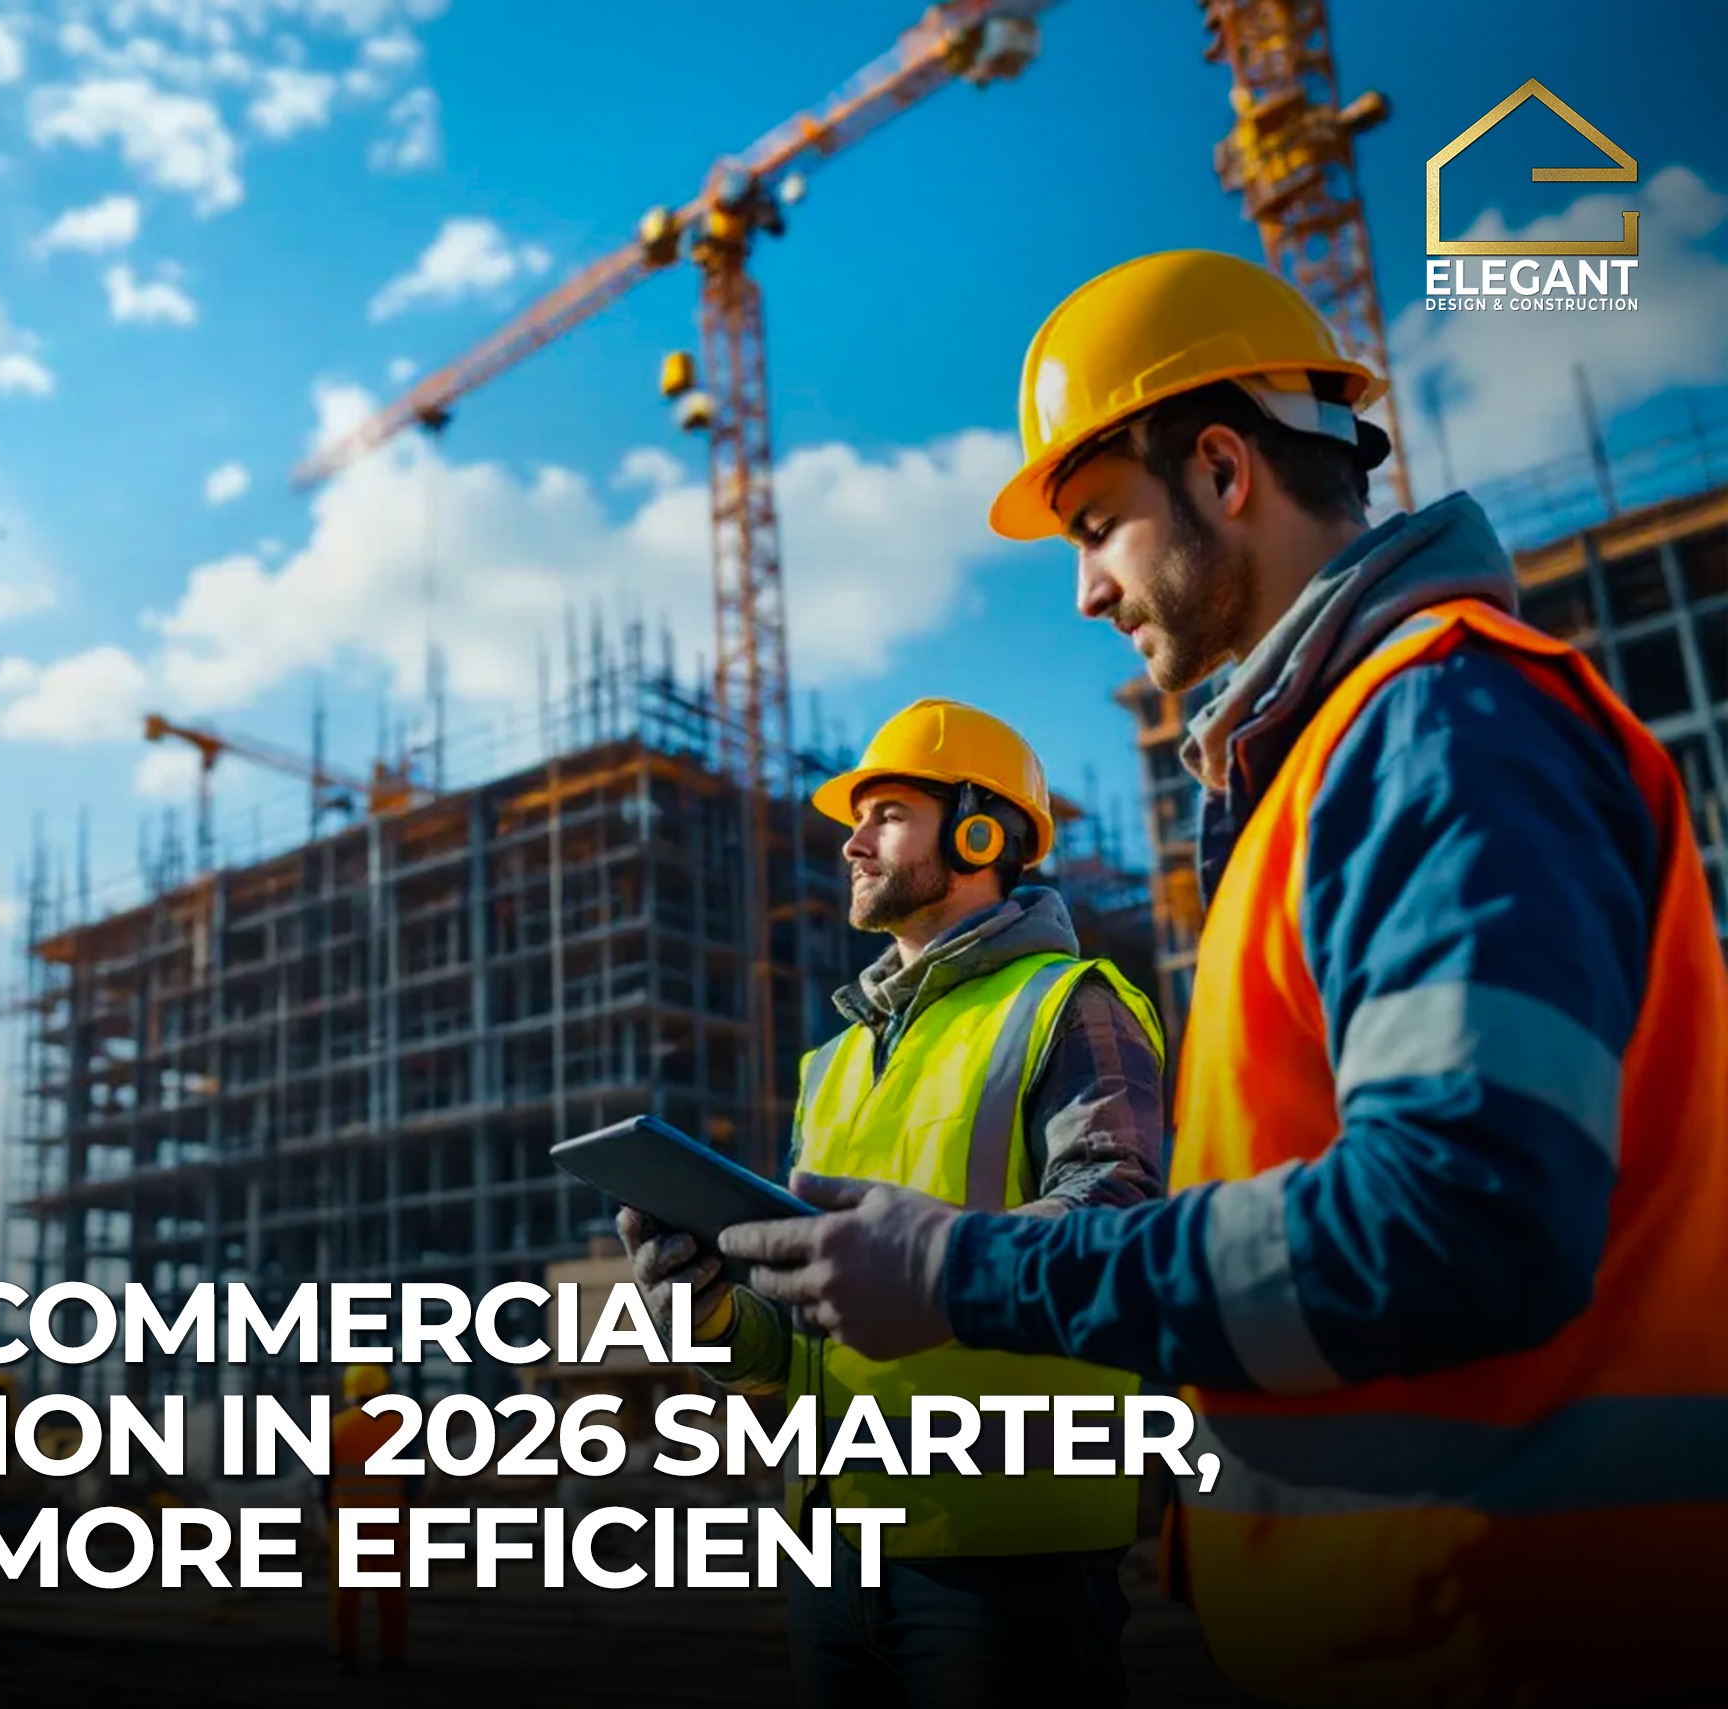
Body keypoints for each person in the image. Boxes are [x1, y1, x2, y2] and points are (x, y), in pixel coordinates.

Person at [716, 249, 1728, 1707]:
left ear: (1220, 468)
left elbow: (1461, 1221)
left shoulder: (1440, 717)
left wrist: (961, 1271)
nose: (1081, 593)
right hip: (1404, 1623)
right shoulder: (1321, 772)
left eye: (1098, 525)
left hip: (1525, 1616)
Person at [622, 699, 1169, 1708]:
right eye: (854, 816)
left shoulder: (1067, 1002)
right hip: (830, 1545)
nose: (850, 839)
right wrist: (705, 1312)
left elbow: (1113, 1231)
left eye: (885, 813)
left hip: (1000, 1554)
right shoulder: (830, 1066)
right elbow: (797, 1342)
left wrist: (932, 1262)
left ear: (979, 832)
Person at [326, 1362, 409, 1674]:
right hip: (388, 1519)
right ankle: (394, 1654)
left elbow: (324, 1478)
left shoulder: (337, 1425)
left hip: (346, 1520)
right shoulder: (399, 1426)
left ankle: (344, 1652)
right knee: (391, 1591)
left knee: (346, 1591)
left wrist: (328, 1513)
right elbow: (414, 1478)